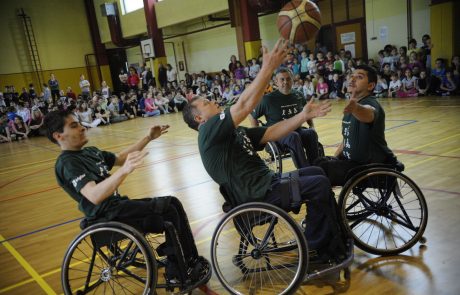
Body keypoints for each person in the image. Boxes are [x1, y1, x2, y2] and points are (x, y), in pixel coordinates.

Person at [183, 39, 346, 263]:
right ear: (199, 118)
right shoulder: (207, 132)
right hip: (258, 195)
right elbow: (243, 105)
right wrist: (268, 68)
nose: (212, 101)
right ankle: (315, 248)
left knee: (317, 173)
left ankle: (328, 235)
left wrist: (302, 116)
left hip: (267, 184)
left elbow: (271, 132)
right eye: (206, 103)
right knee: (318, 184)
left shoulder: (231, 133)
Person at [43, 110, 204, 281]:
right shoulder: (67, 162)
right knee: (169, 209)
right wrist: (125, 170)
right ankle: (177, 273)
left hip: (118, 207)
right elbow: (93, 195)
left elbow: (120, 158)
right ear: (58, 135)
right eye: (74, 126)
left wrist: (148, 138)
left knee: (173, 204)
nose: (82, 128)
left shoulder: (90, 151)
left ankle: (189, 260)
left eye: (80, 124)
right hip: (106, 214)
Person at [316, 65, 397, 186]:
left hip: (369, 168)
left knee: (321, 172)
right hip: (352, 164)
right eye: (352, 76)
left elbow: (369, 112)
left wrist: (355, 108)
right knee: (319, 162)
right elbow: (346, 139)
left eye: (359, 77)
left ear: (370, 86)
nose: (352, 79)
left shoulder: (370, 103)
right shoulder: (352, 108)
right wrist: (335, 158)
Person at [249, 68, 321, 168]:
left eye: (288, 79)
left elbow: (307, 112)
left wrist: (311, 125)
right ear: (276, 82)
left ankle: (316, 165)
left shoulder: (298, 95)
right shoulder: (267, 99)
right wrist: (259, 137)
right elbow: (252, 116)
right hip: (277, 135)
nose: (285, 82)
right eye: (282, 79)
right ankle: (305, 169)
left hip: (297, 131)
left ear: (292, 80)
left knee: (311, 133)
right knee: (293, 136)